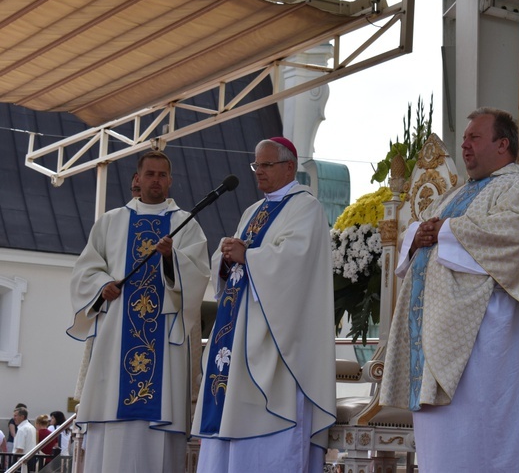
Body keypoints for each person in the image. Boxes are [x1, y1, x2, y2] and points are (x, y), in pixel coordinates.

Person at [380, 108, 519, 471]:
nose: (464, 145)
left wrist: (445, 231)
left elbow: (512, 240)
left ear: (502, 144)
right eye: (464, 138)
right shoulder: (453, 196)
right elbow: (415, 234)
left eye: (474, 138)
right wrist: (418, 234)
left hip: (486, 348)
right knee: (439, 451)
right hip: (435, 343)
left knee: (478, 441)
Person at [191, 137, 336, 473]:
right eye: (256, 165)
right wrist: (226, 257)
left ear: (289, 166)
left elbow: (295, 265)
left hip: (276, 343)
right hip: (237, 335)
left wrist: (249, 256)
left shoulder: (306, 208)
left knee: (266, 425)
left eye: (266, 165)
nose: (259, 172)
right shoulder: (252, 212)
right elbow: (228, 265)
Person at [67, 150, 210, 473]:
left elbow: (200, 275)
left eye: (162, 175)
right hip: (116, 343)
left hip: (164, 355)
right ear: (137, 178)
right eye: (150, 174)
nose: (155, 180)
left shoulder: (185, 225)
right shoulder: (110, 222)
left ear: (170, 180)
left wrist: (172, 259)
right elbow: (84, 271)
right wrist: (103, 285)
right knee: (112, 428)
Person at [12, 407, 36, 473]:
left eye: (15, 416)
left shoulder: (22, 429)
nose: (14, 418)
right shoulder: (31, 427)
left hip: (22, 460)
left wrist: (14, 465)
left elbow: (20, 449)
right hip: (31, 459)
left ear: (22, 417)